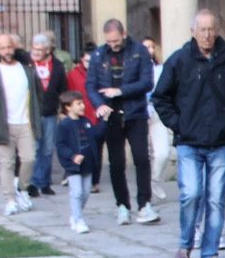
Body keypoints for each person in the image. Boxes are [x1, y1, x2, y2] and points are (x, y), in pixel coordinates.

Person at [151, 10, 225, 258]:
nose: (207, 35)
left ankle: (210, 254)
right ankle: (185, 245)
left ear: (217, 30)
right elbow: (160, 97)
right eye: (202, 29)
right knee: (191, 193)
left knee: (216, 198)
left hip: (221, 140)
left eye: (211, 29)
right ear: (193, 31)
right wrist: (178, 123)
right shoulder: (179, 60)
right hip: (189, 140)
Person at [86, 18, 161, 226]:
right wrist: (98, 104)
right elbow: (90, 84)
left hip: (135, 112)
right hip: (110, 114)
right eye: (109, 41)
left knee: (141, 158)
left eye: (116, 41)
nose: (113, 45)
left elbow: (147, 82)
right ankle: (122, 205)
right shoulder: (99, 55)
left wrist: (120, 91)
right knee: (116, 162)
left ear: (124, 34)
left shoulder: (139, 51)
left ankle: (144, 203)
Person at [0, 32, 39, 216]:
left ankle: (23, 188)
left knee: (29, 158)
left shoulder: (26, 67)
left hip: (25, 121)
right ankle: (10, 199)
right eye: (3, 48)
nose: (7, 51)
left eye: (10, 47)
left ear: (15, 47)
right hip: (4, 123)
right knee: (6, 163)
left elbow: (36, 92)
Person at [27, 32, 66, 198]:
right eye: (34, 49)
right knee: (35, 149)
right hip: (32, 114)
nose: (35, 52)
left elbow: (62, 88)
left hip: (50, 112)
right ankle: (33, 183)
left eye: (40, 49)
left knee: (48, 149)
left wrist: (63, 109)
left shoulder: (57, 66)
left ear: (48, 50)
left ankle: (45, 182)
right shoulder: (27, 65)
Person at [54, 90, 97, 234]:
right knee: (76, 192)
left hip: (88, 164)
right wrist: (72, 156)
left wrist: (104, 120)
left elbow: (95, 135)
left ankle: (76, 214)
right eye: (78, 104)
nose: (83, 106)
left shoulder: (86, 122)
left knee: (85, 193)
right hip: (73, 166)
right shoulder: (64, 125)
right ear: (68, 107)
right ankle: (78, 220)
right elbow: (60, 145)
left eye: (82, 103)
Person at [142, 37, 175, 203]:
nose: (149, 50)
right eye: (145, 47)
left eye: (151, 46)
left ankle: (155, 180)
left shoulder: (160, 69)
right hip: (141, 114)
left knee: (162, 153)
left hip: (156, 113)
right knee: (144, 154)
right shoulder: (135, 70)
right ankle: (145, 190)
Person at [67, 41, 101, 193]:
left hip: (96, 115)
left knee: (97, 149)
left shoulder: (100, 73)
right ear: (81, 59)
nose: (90, 64)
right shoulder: (73, 74)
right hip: (81, 115)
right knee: (80, 147)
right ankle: (77, 174)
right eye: (87, 61)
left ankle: (95, 181)